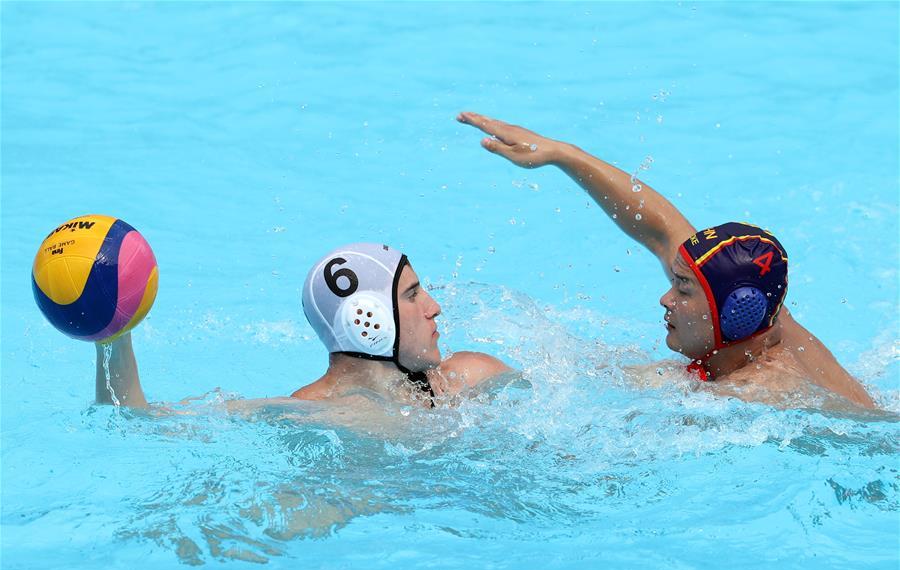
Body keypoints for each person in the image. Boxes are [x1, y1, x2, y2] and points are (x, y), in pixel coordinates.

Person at [457, 111, 875, 409]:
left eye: (683, 289)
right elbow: (660, 230)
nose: (665, 299)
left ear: (735, 313)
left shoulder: (758, 397)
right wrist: (563, 154)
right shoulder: (763, 320)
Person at [95, 242, 512, 411]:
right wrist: (112, 337)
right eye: (412, 295)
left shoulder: (470, 377)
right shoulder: (311, 413)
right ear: (367, 319)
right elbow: (134, 419)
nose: (434, 308)